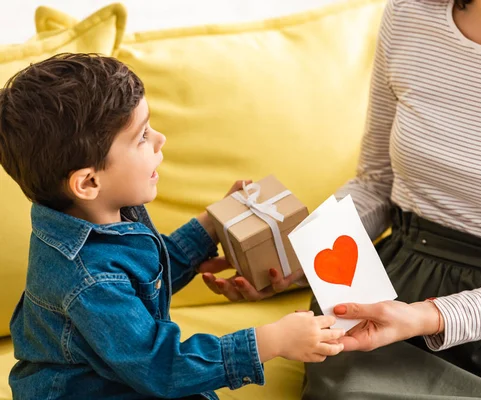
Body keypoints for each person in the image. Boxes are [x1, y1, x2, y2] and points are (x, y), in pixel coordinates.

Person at [205, 0, 481, 398]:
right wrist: (294, 259)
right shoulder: (409, 13)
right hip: (399, 284)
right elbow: (375, 185)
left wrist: (427, 316)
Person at [0, 53, 345, 400]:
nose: (160, 139)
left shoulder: (99, 213)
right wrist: (271, 341)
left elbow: (143, 280)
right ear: (88, 182)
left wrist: (209, 227)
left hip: (128, 373)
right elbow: (161, 368)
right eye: (142, 136)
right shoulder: (90, 280)